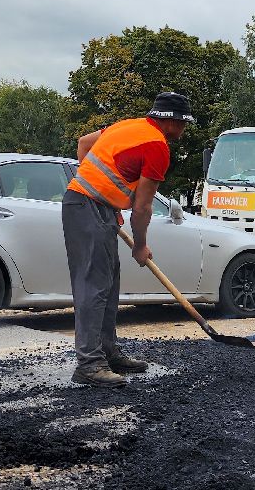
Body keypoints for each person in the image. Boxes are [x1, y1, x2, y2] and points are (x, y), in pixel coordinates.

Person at [63, 91, 194, 387]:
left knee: (108, 284)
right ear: (170, 121)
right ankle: (89, 365)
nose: (184, 130)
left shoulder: (128, 125)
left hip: (91, 205)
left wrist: (104, 193)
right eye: (183, 123)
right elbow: (143, 207)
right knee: (93, 286)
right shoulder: (158, 146)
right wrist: (140, 245)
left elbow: (84, 143)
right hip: (85, 207)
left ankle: (107, 353)